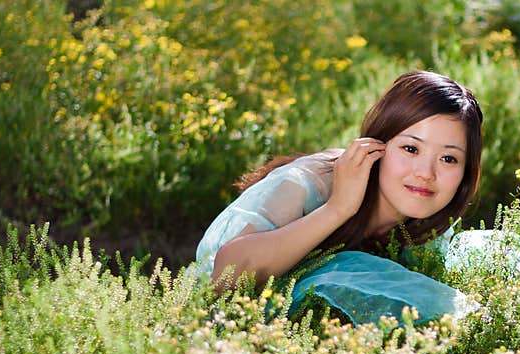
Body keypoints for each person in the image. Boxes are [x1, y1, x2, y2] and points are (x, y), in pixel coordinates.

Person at [194, 70, 484, 325]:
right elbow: (225, 278)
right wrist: (338, 209)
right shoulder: (309, 182)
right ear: (376, 145)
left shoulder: (432, 219)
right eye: (410, 149)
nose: (426, 173)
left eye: (448, 158)